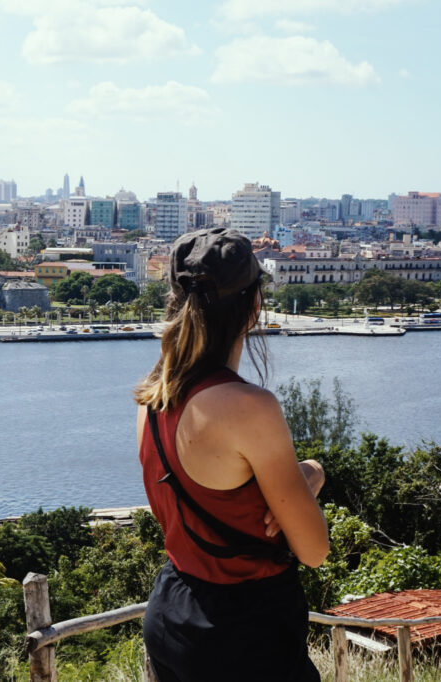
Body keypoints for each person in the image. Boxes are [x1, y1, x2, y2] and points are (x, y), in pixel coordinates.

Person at [134, 227, 329, 682]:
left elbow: (209, 492)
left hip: (173, 610)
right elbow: (314, 550)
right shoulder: (249, 408)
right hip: (244, 631)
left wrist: (301, 477)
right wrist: (313, 474)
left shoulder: (152, 397)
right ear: (254, 305)